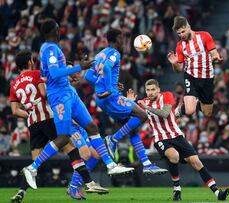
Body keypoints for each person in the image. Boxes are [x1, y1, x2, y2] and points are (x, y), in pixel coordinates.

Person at [21, 18, 133, 191]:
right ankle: (32, 168)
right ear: (54, 30)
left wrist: (80, 68)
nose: (60, 31)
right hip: (58, 96)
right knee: (64, 137)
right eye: (58, 28)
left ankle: (111, 165)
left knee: (92, 127)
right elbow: (55, 72)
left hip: (69, 93)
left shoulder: (53, 48)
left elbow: (60, 71)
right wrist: (79, 66)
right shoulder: (49, 48)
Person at [8, 51, 106, 202]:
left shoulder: (14, 84)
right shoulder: (35, 74)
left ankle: (21, 191)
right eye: (32, 60)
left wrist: (31, 114)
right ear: (29, 62)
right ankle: (89, 183)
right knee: (71, 149)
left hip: (33, 124)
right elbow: (45, 92)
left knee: (35, 163)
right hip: (48, 118)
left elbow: (15, 111)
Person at [84, 29, 167, 175]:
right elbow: (108, 68)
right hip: (112, 98)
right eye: (121, 39)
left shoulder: (100, 54)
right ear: (117, 39)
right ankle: (113, 139)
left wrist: (103, 87)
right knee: (142, 115)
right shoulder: (115, 53)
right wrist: (109, 88)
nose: (123, 42)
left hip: (102, 98)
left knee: (132, 128)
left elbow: (88, 75)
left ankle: (146, 164)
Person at [136, 79, 229, 201]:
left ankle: (218, 193)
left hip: (177, 136)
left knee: (196, 162)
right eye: (148, 90)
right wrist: (128, 100)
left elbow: (165, 113)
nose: (150, 92)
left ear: (158, 89)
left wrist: (147, 107)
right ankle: (177, 190)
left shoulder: (167, 95)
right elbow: (128, 112)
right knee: (174, 155)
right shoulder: (143, 102)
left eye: (153, 89)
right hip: (161, 139)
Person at [167, 16, 222, 119]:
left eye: (183, 32)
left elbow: (214, 52)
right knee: (189, 111)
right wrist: (174, 63)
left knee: (207, 113)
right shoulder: (180, 46)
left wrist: (216, 57)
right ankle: (181, 109)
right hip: (191, 76)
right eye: (178, 33)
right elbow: (178, 70)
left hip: (207, 77)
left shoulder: (204, 36)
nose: (181, 35)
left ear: (188, 27)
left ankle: (196, 102)